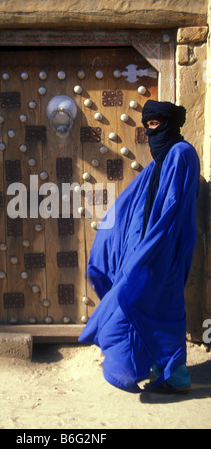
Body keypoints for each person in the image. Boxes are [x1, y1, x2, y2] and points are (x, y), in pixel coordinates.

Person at [78, 99, 200, 394]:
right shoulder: (161, 160)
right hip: (150, 247)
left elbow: (171, 208)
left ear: (170, 124)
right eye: (147, 126)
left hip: (165, 250)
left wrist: (152, 248)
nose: (150, 132)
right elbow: (136, 201)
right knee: (141, 303)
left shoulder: (182, 154)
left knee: (162, 308)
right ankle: (157, 370)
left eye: (155, 125)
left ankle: (177, 375)